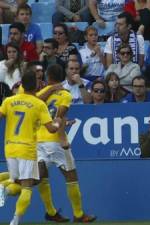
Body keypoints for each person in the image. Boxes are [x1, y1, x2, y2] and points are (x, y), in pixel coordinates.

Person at [35, 64, 97, 223]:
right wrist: (61, 130)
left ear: (48, 76)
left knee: (41, 177)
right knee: (71, 177)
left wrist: (48, 89)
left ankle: (51, 211)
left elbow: (34, 103)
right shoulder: (65, 94)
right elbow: (59, 115)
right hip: (55, 140)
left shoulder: (41, 93)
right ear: (62, 77)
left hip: (37, 141)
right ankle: (78, 214)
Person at [0, 71, 61, 225]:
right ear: (36, 85)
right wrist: (59, 122)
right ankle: (15, 221)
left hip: (10, 148)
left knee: (17, 183)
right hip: (26, 149)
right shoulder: (39, 104)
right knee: (27, 187)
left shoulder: (9, 100)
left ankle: (4, 188)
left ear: (21, 84)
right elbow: (52, 129)